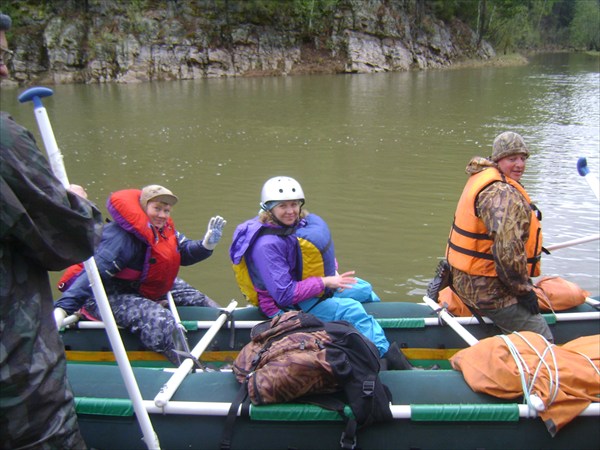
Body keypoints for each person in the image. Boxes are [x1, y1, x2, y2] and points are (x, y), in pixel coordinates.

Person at [1, 12, 104, 449]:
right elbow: (74, 237)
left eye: (4, 56)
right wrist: (70, 197)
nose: (5, 67)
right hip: (16, 378)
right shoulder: (4, 142)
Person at [230, 176, 414, 370]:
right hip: (287, 305)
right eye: (282, 206)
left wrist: (330, 268)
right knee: (351, 309)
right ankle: (384, 357)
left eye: (294, 204)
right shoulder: (266, 246)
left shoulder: (291, 225)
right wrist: (325, 282)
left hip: (310, 287)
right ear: (269, 208)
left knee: (364, 288)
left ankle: (367, 331)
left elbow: (307, 254)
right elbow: (284, 294)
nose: (291, 211)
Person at [54, 185, 226, 365]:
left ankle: (227, 331)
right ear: (144, 207)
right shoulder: (120, 238)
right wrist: (64, 307)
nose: (162, 215)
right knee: (161, 320)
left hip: (141, 286)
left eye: (166, 210)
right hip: (104, 295)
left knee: (196, 297)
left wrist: (206, 245)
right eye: (157, 208)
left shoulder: (163, 230)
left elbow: (184, 252)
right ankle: (187, 365)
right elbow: (94, 275)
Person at [429, 131, 553, 342]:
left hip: (464, 281)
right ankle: (528, 363)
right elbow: (506, 251)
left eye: (523, 158)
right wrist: (524, 291)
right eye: (512, 158)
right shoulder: (500, 193)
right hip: (487, 290)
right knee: (543, 340)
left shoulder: (484, 180)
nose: (519, 164)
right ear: (497, 160)